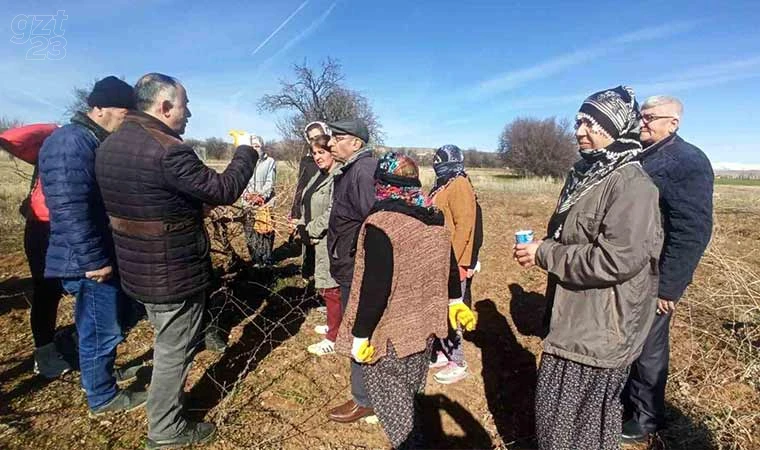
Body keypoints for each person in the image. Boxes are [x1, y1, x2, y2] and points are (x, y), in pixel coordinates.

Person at [95, 73, 258, 449]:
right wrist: (247, 152)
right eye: (185, 106)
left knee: (166, 338)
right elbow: (222, 189)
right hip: (171, 271)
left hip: (136, 267)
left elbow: (150, 197)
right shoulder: (168, 149)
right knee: (175, 352)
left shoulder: (111, 143)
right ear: (164, 107)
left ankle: (161, 410)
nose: (189, 114)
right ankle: (166, 430)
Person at [513, 86, 663, 450]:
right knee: (571, 428)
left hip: (600, 328)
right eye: (579, 121)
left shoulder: (632, 185)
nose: (579, 130)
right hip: (576, 319)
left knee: (568, 430)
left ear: (616, 128)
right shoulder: (591, 175)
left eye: (591, 123)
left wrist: (545, 254)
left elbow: (618, 259)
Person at [335, 152, 476, 449]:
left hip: (388, 336)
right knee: (411, 399)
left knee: (394, 409)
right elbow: (449, 266)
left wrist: (360, 335)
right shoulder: (433, 218)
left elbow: (375, 287)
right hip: (423, 331)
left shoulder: (381, 224)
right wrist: (454, 302)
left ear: (382, 184)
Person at [38, 76, 146, 415]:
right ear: (99, 108)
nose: (126, 121)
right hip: (85, 259)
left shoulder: (90, 140)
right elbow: (69, 207)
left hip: (95, 253)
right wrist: (93, 260)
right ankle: (103, 396)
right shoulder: (71, 142)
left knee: (116, 317)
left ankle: (98, 372)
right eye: (124, 113)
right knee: (100, 327)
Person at [622, 96, 714, 444]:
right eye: (641, 117)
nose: (643, 122)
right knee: (631, 340)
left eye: (651, 117)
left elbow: (693, 228)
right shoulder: (643, 155)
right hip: (634, 271)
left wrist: (669, 287)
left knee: (649, 347)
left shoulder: (687, 161)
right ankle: (629, 404)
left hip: (656, 276)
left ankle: (647, 419)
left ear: (673, 123)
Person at [1, 124, 70, 378]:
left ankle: (85, 350)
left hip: (75, 225)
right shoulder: (53, 144)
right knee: (46, 290)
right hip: (42, 228)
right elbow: (9, 139)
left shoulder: (91, 146)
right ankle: (45, 352)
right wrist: (55, 129)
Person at [324, 119, 378, 423]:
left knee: (359, 329)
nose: (331, 144)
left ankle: (365, 399)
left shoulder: (363, 171)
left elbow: (377, 224)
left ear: (356, 143)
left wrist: (363, 264)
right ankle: (369, 394)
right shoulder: (352, 170)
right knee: (357, 327)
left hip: (358, 269)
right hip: (349, 265)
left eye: (338, 137)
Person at [428, 144, 479, 384]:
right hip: (438, 257)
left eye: (440, 159)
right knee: (438, 307)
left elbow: (464, 225)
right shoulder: (444, 183)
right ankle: (441, 352)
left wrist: (453, 261)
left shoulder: (459, 184)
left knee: (451, 309)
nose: (436, 163)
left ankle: (457, 361)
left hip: (453, 261)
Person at [298, 121, 342, 356]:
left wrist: (311, 228)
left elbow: (333, 211)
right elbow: (308, 200)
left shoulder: (337, 176)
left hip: (329, 239)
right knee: (325, 285)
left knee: (330, 287)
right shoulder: (319, 174)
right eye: (314, 153)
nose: (317, 157)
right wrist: (301, 223)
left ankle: (333, 338)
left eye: (321, 152)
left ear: (332, 152)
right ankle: (333, 323)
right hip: (317, 238)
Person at [241, 135, 277, 267]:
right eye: (252, 146)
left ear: (262, 146)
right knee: (250, 232)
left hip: (265, 204)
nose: (255, 149)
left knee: (266, 232)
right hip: (248, 204)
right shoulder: (244, 162)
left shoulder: (270, 162)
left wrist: (261, 196)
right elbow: (240, 182)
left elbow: (270, 182)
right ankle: (256, 260)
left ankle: (267, 260)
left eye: (257, 146)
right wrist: (246, 195)